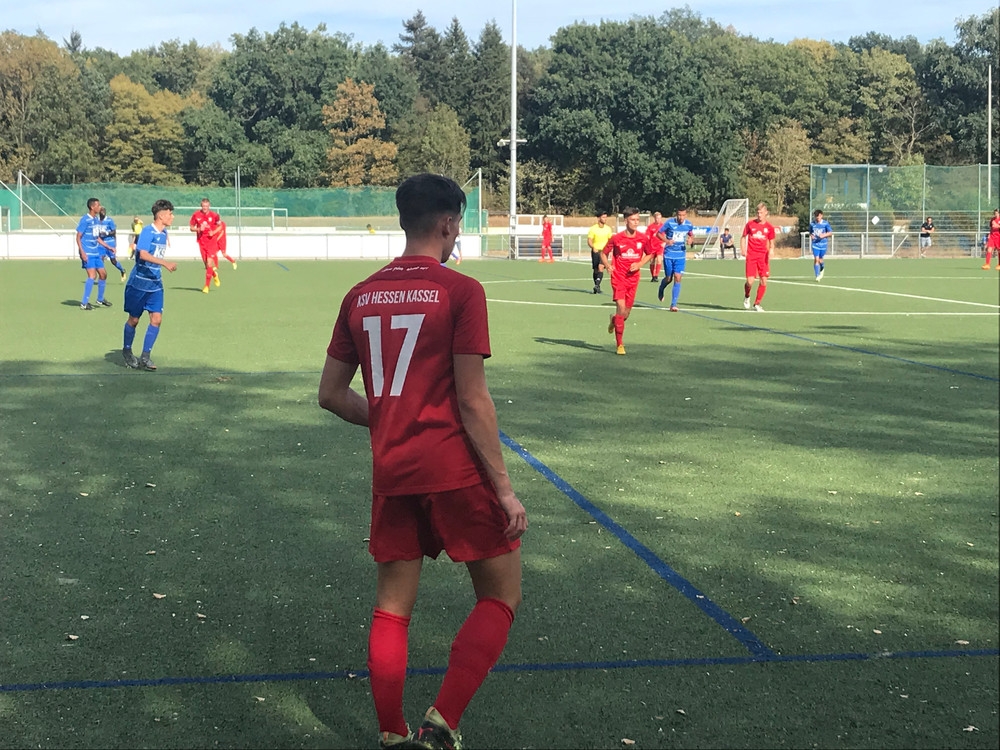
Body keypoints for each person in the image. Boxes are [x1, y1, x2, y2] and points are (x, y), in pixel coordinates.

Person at [318, 173, 526, 750]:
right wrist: (504, 489)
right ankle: (441, 724)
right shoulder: (460, 291)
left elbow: (330, 394)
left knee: (392, 609)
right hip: (454, 469)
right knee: (500, 595)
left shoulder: (359, 295)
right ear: (449, 224)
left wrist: (390, 417)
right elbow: (473, 399)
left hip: (393, 470)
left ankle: (392, 734)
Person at [122, 199, 178, 371]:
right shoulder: (147, 231)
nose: (172, 217)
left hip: (155, 285)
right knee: (134, 320)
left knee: (157, 319)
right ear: (161, 216)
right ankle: (127, 351)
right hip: (139, 284)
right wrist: (165, 263)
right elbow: (143, 254)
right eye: (170, 214)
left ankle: (145, 357)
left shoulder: (164, 233)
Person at [601, 207, 652, 354]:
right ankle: (620, 345)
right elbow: (603, 253)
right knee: (621, 308)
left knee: (625, 314)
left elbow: (650, 254)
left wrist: (640, 264)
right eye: (632, 220)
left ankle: (614, 319)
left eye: (637, 220)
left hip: (633, 279)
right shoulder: (616, 238)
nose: (636, 222)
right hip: (618, 277)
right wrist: (608, 265)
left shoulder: (643, 238)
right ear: (626, 221)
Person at [75, 197, 113, 310]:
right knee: (92, 276)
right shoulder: (85, 220)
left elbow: (96, 237)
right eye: (98, 205)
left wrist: (108, 246)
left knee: (103, 274)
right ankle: (84, 303)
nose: (100, 207)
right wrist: (82, 252)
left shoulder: (96, 220)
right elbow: (78, 237)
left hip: (96, 252)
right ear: (92, 207)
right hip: (88, 253)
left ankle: (100, 299)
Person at [655, 207, 694, 311]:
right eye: (679, 215)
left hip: (680, 255)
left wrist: (691, 239)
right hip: (669, 254)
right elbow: (658, 233)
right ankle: (661, 288)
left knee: (677, 277)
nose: (681, 217)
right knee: (669, 279)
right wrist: (667, 241)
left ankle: (673, 304)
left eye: (683, 215)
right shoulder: (670, 223)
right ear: (676, 215)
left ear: (686, 215)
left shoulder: (688, 224)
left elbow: (691, 234)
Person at [741, 202, 775, 311]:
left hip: (763, 257)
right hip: (751, 256)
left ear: (766, 213)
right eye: (758, 212)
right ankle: (747, 296)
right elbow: (743, 237)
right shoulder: (750, 224)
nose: (759, 215)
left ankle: (757, 303)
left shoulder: (769, 227)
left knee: (764, 280)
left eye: (761, 212)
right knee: (750, 282)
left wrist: (771, 250)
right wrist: (743, 249)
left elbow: (771, 242)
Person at [190, 198, 227, 293]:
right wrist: (198, 229)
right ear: (201, 206)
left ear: (209, 206)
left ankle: (206, 286)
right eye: (203, 206)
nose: (205, 208)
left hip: (211, 242)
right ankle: (214, 275)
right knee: (207, 266)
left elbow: (220, 226)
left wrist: (213, 232)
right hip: (201, 242)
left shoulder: (214, 216)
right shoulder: (196, 215)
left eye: (206, 206)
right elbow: (191, 228)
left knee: (210, 263)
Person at [587, 212, 614, 294]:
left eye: (606, 217)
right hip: (596, 251)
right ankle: (596, 285)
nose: (605, 219)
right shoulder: (593, 229)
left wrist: (611, 250)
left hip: (604, 252)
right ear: (599, 218)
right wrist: (593, 247)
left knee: (601, 267)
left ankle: (597, 285)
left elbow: (610, 241)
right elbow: (589, 240)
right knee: (596, 269)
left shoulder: (608, 229)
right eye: (603, 217)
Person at [98, 207, 127, 282]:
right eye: (101, 211)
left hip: (110, 242)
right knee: (100, 259)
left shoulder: (109, 220)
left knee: (113, 261)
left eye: (104, 211)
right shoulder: (97, 221)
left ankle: (122, 270)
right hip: (101, 243)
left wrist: (106, 233)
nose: (103, 213)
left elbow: (114, 232)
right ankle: (102, 276)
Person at [809, 209, 833, 281]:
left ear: (821, 216)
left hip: (823, 244)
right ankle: (817, 275)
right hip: (815, 244)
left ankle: (822, 266)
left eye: (819, 216)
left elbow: (830, 233)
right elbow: (810, 232)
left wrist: (824, 235)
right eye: (816, 216)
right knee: (816, 259)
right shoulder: (812, 224)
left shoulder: (825, 224)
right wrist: (811, 236)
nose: (817, 217)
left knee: (820, 260)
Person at [645, 211, 664, 281]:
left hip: (660, 246)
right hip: (652, 247)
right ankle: (653, 276)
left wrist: (664, 242)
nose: (658, 220)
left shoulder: (663, 226)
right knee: (652, 261)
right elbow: (647, 236)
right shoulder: (650, 227)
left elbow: (666, 235)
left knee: (659, 260)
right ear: (654, 218)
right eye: (657, 218)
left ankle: (656, 276)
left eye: (659, 218)